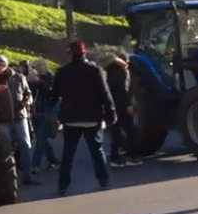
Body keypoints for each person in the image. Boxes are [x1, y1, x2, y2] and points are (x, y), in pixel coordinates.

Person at [52, 40, 117, 196]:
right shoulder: (95, 70)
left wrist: (57, 115)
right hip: (92, 116)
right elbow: (105, 93)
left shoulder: (62, 72)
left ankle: (63, 185)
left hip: (70, 118)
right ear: (85, 53)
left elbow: (54, 96)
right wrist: (111, 113)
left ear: (70, 53)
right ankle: (103, 180)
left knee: (68, 154)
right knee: (97, 150)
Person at [0, 54, 38, 186]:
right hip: (2, 118)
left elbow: (28, 93)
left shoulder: (18, 78)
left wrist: (26, 103)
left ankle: (28, 175)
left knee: (25, 145)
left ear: (6, 66)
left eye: (2, 65)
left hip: (19, 115)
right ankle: (10, 177)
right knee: (5, 148)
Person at [105, 53, 142, 168]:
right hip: (122, 105)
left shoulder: (109, 72)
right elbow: (125, 90)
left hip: (111, 106)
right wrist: (129, 104)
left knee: (116, 133)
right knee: (131, 131)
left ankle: (115, 159)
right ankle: (131, 156)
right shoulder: (123, 72)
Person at [28, 59, 60, 174]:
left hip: (47, 112)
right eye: (36, 66)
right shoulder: (33, 79)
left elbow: (51, 94)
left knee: (41, 140)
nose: (38, 68)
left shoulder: (51, 78)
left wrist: (38, 83)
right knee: (42, 139)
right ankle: (53, 160)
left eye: (40, 65)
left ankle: (34, 165)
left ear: (45, 66)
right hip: (35, 112)